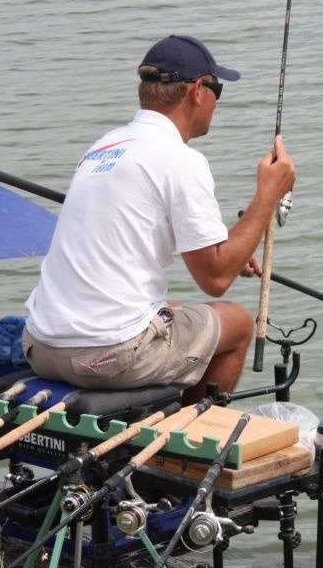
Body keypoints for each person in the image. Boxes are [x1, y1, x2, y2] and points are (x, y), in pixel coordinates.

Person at [22, 35, 296, 404]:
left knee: (178, 310)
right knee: (237, 322)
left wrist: (232, 244)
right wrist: (268, 194)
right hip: (105, 357)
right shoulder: (180, 159)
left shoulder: (103, 146)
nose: (216, 103)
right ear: (198, 90)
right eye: (218, 90)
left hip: (39, 345)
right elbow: (215, 279)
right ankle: (193, 443)